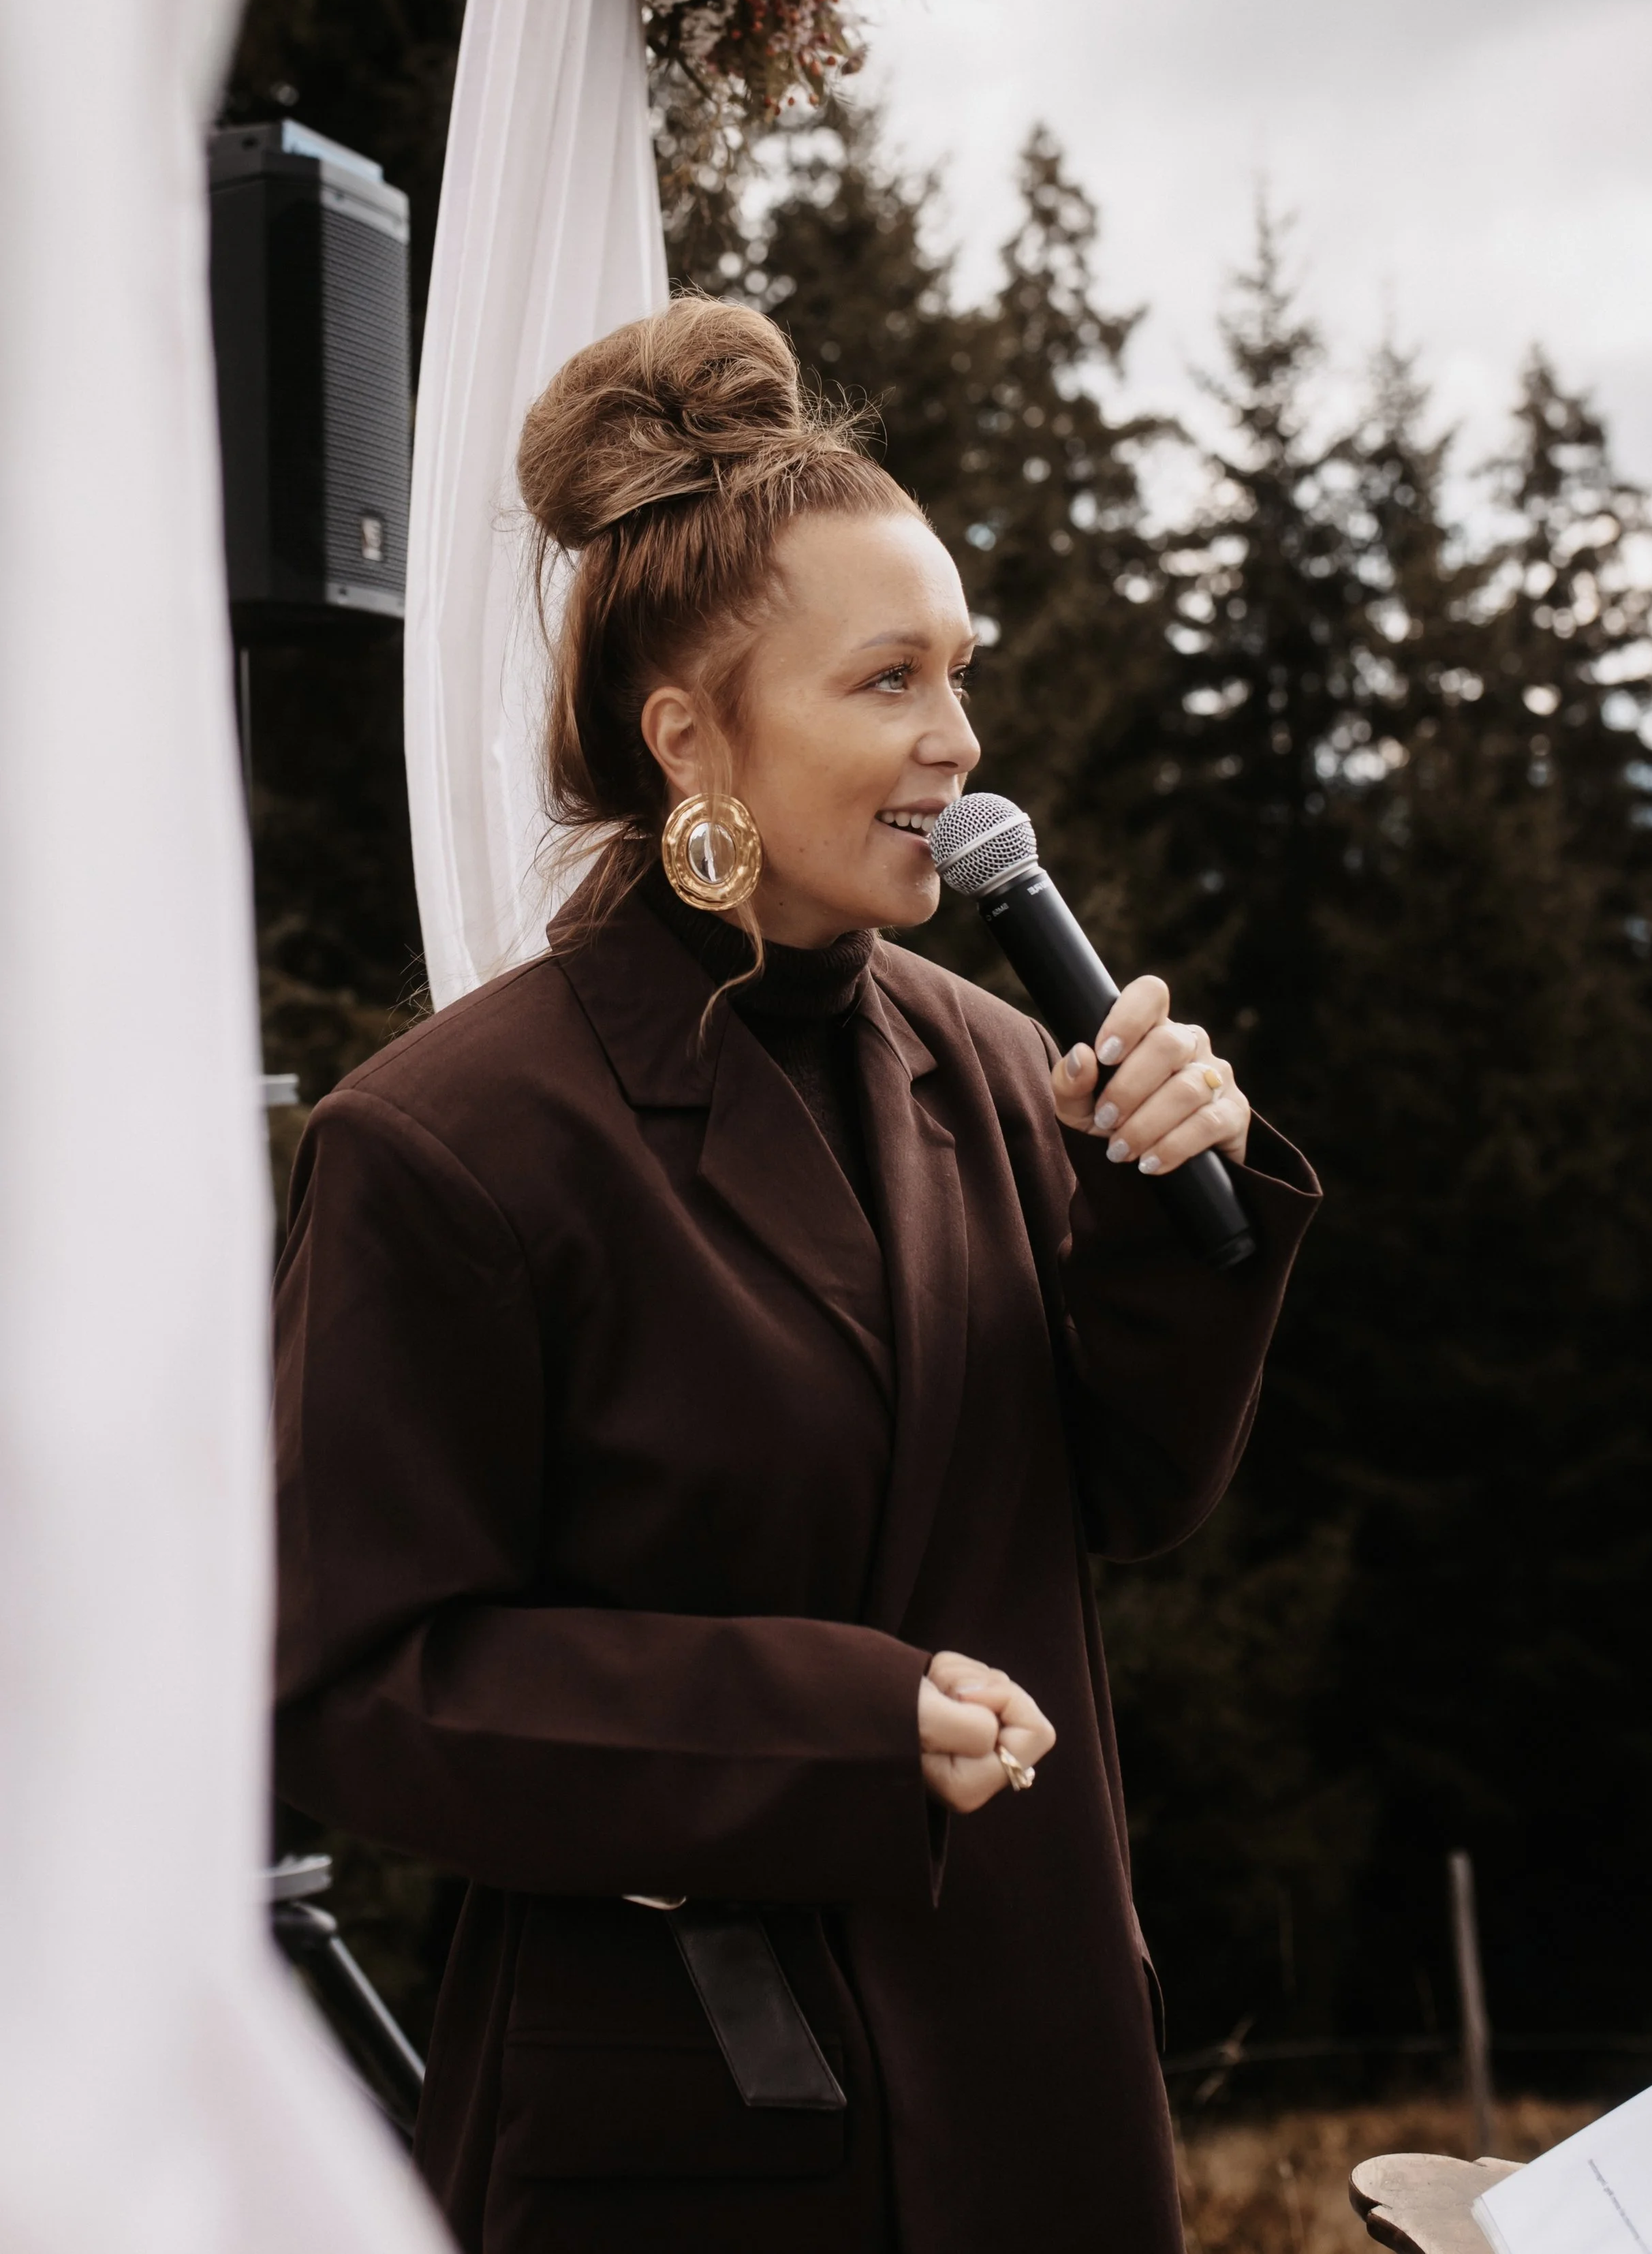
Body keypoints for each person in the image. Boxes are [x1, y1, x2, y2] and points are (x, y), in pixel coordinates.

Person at [272, 297, 1320, 2254]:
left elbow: (1118, 1506)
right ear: (693, 742)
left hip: (1040, 2094)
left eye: (962, 673)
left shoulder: (1004, 1064)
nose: (959, 739)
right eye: (889, 680)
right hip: (686, 2143)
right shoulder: (444, 1145)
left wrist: (1165, 1218)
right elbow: (355, 1689)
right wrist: (815, 1731)